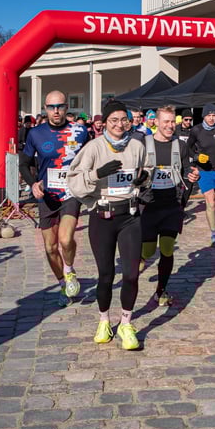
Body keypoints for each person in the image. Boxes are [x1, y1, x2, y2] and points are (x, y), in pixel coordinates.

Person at [67, 99, 152, 350]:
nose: (119, 125)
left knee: (132, 274)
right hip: (102, 216)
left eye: (123, 120)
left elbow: (146, 171)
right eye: (113, 120)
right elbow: (74, 182)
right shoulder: (93, 148)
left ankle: (126, 322)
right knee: (106, 275)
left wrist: (144, 178)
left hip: (130, 215)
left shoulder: (137, 145)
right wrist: (97, 174)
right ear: (104, 123)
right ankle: (104, 320)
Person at [18, 91, 89, 306]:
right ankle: (62, 285)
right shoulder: (35, 133)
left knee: (66, 239)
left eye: (59, 106)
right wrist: (33, 184)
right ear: (45, 109)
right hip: (47, 194)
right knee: (50, 247)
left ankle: (68, 271)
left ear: (67, 107)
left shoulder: (80, 131)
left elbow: (91, 159)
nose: (55, 110)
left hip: (70, 193)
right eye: (51, 107)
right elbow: (24, 163)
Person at [139, 105, 199, 305]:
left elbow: (186, 171)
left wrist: (191, 175)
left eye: (173, 121)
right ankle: (134, 271)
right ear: (155, 122)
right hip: (148, 205)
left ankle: (161, 291)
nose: (170, 125)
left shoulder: (180, 146)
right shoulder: (143, 143)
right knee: (147, 251)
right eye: (166, 121)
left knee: (166, 248)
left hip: (171, 204)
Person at [186, 103, 215, 246]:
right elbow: (188, 148)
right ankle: (214, 235)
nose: (211, 119)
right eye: (208, 115)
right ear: (203, 116)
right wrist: (197, 157)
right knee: (210, 202)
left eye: (213, 116)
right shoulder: (196, 130)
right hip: (204, 171)